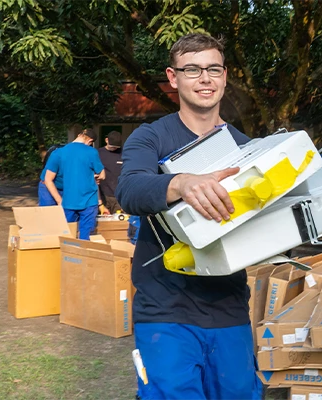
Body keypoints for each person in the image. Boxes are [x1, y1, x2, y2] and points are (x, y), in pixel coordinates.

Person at [115, 33, 262, 400]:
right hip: (166, 308)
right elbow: (129, 191)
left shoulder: (246, 148)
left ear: (225, 76)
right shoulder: (150, 137)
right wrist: (180, 183)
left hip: (228, 307)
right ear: (173, 77)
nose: (205, 79)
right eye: (192, 70)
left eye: (213, 69)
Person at [45, 129, 105, 240]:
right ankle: (83, 255)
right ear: (90, 141)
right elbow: (102, 175)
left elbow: (48, 179)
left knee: (67, 236)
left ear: (79, 135)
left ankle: (69, 256)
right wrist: (94, 177)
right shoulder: (91, 152)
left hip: (68, 201)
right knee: (86, 237)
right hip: (89, 200)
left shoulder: (58, 153)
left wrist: (59, 200)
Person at [97, 130, 124, 213]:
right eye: (112, 146)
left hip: (119, 196)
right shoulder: (98, 153)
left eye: (116, 147)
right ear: (106, 140)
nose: (114, 148)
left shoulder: (124, 153)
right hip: (103, 195)